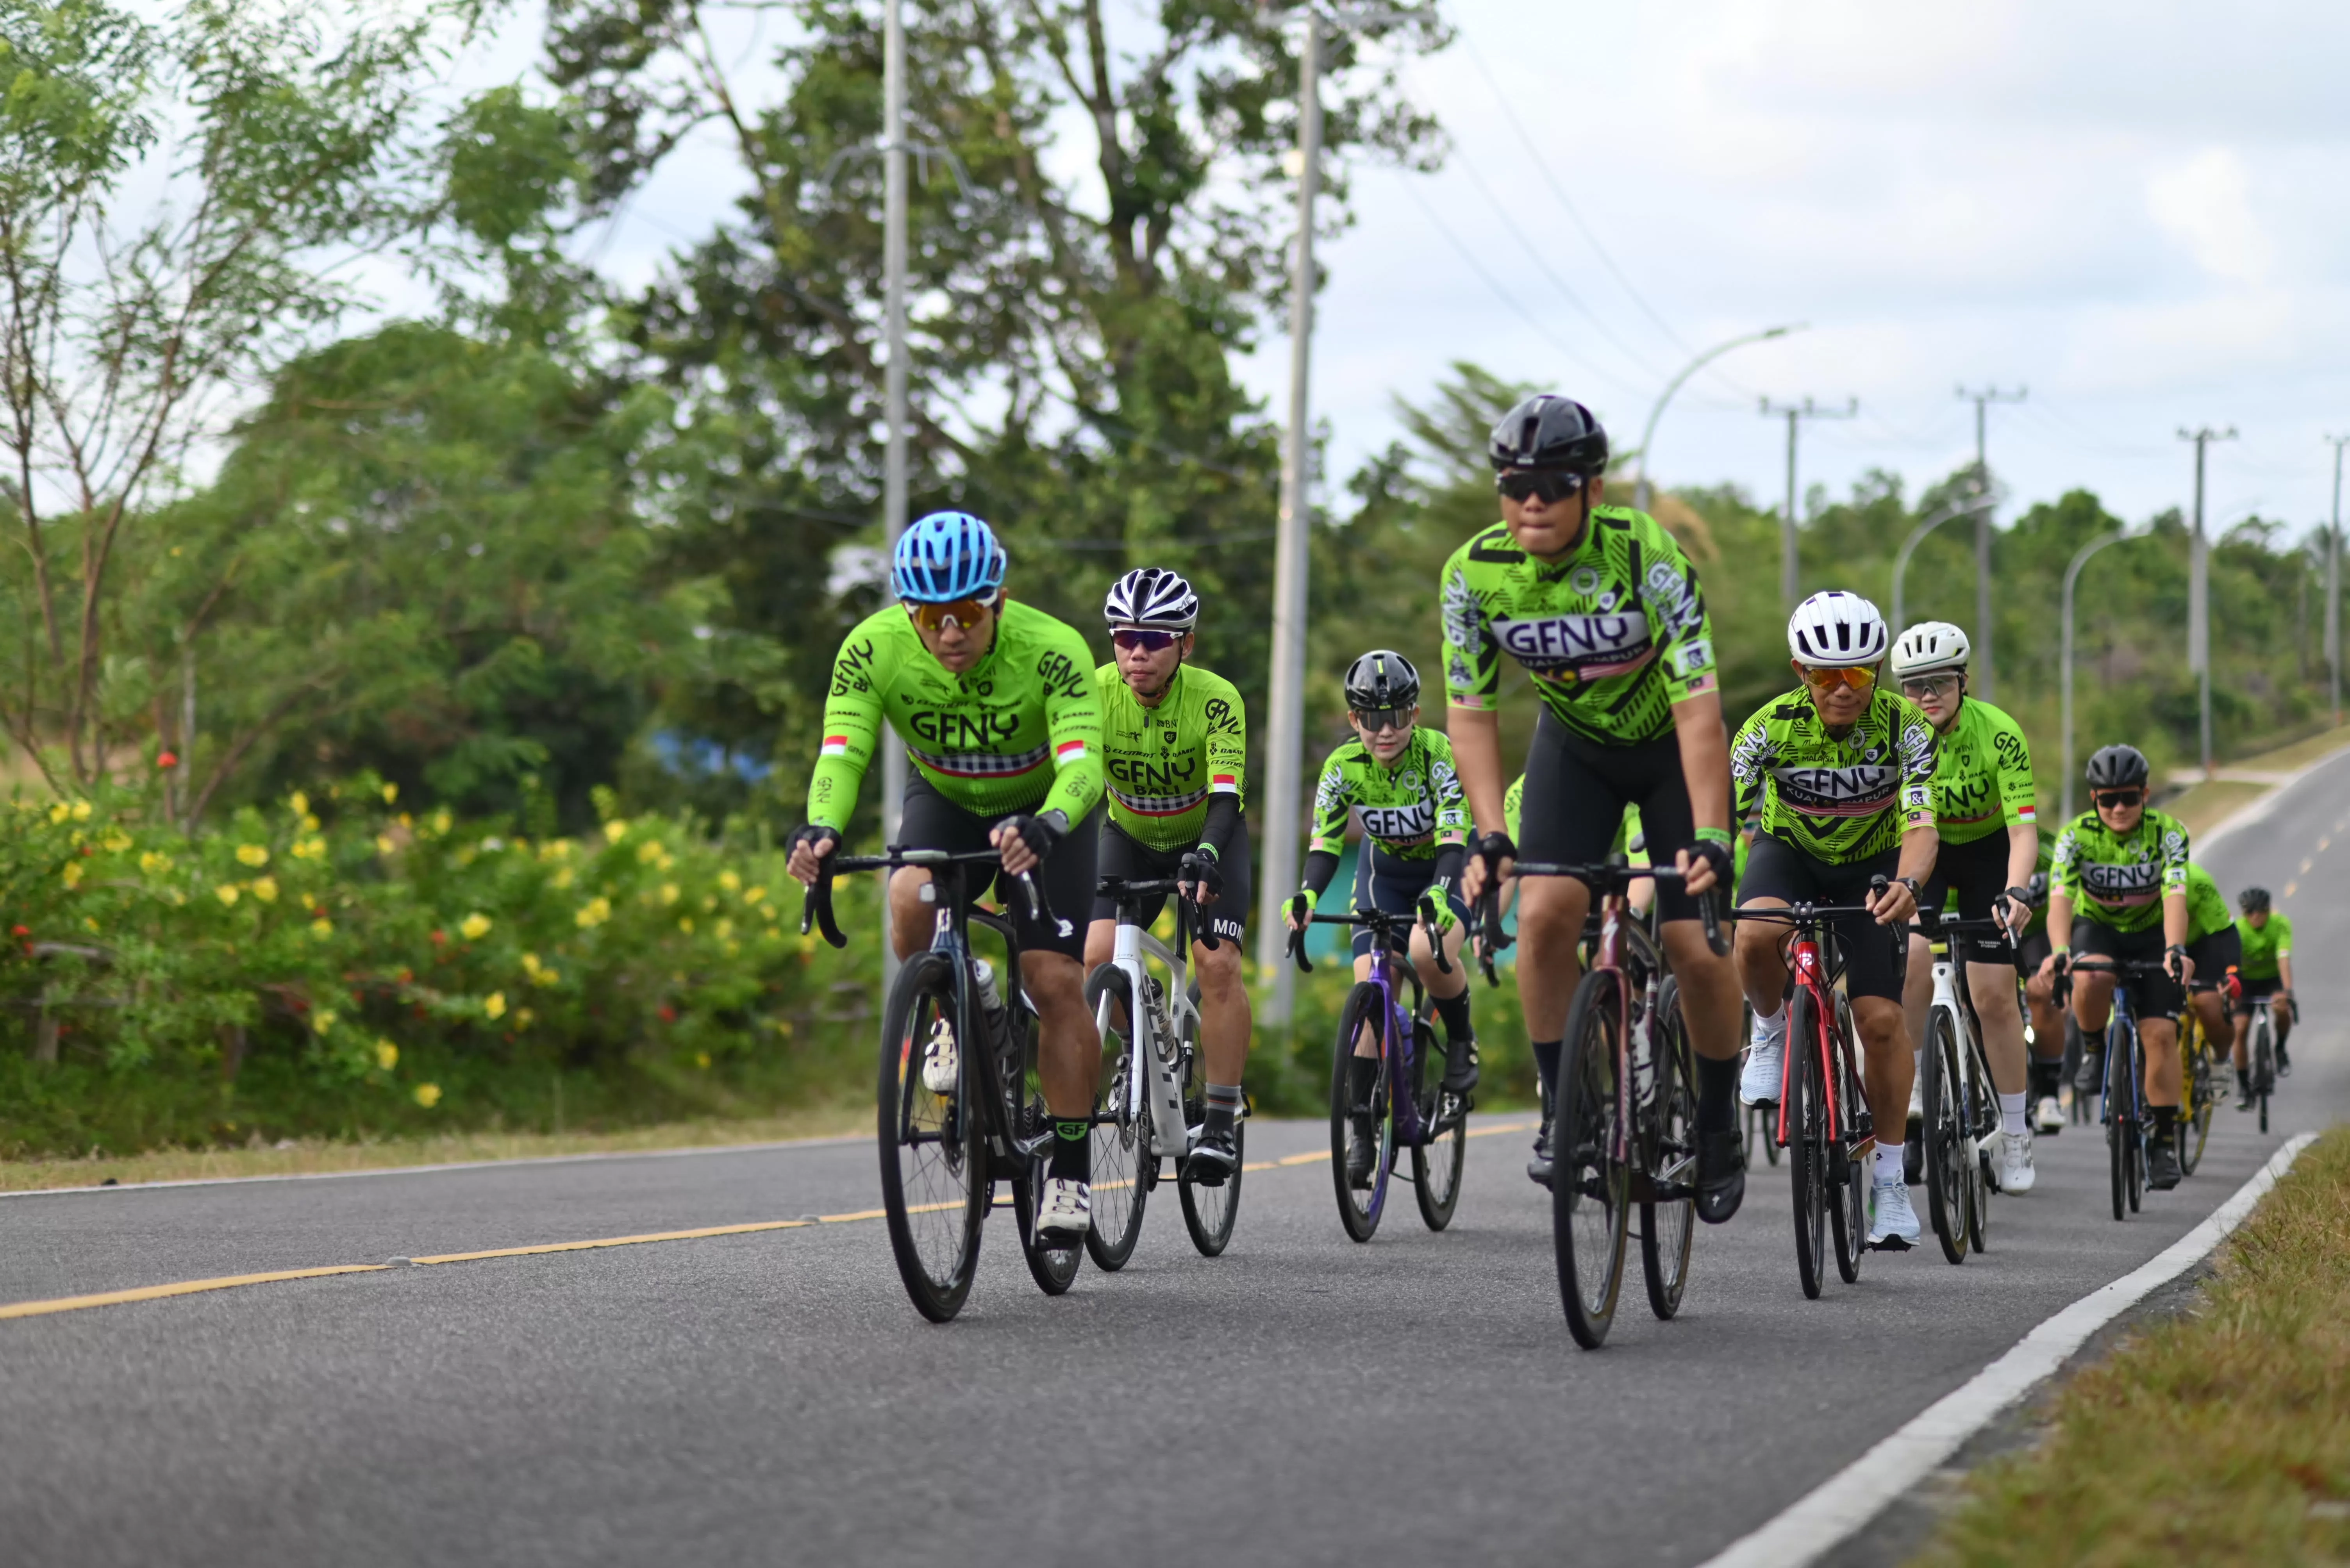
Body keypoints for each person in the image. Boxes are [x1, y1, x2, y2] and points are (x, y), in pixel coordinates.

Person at [1442, 395, 1746, 1222]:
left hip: (1666, 754)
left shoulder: (1644, 554)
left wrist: (1713, 837)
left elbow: (1698, 712)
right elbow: (1470, 714)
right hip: (1572, 751)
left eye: (1553, 482)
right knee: (1542, 912)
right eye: (1514, 484)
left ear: (1593, 490)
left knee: (1689, 937)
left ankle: (1716, 1122)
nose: (1531, 500)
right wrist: (1490, 833)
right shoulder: (1473, 572)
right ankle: (1561, 1109)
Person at [786, 512, 1106, 1236]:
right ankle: (956, 1012)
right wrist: (823, 829)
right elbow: (842, 751)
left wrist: (1050, 826)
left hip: (1044, 808)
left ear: (997, 600)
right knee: (906, 892)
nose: (950, 634)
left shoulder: (1053, 650)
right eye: (932, 616)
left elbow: (1085, 763)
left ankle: (1072, 1169)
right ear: (909, 610)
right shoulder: (872, 650)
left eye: (966, 613)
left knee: (1054, 980)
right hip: (948, 797)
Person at [1734, 591, 1939, 1249]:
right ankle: (1768, 1030)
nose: (1843, 689)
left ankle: (1889, 1182)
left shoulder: (1905, 726)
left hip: (1871, 866)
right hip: (1788, 853)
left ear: (1877, 668)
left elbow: (1921, 824)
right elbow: (1724, 804)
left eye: (1856, 673)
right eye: (1827, 676)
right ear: (1801, 671)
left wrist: (1909, 883)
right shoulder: (1767, 727)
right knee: (1753, 935)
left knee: (1879, 1023)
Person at [1082, 568, 1252, 1183]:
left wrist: (1206, 853)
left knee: (1216, 962)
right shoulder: (1093, 691)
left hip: (1208, 836)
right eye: (1124, 636)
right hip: (1127, 835)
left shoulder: (1216, 697)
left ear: (1187, 643)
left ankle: (1223, 1116)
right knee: (1095, 954)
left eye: (1155, 638)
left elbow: (1228, 795)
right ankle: (1137, 1047)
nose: (1137, 652)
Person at [1285, 650, 1474, 1187]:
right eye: (1371, 718)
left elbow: (1455, 835)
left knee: (1423, 948)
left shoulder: (1438, 753)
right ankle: (1362, 1131)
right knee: (1371, 992)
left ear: (1415, 713)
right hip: (1383, 872)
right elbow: (1324, 842)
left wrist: (1439, 891)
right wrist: (1306, 894)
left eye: (1396, 715)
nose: (1385, 729)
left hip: (1447, 865)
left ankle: (1461, 1042)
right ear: (1354, 721)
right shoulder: (1342, 765)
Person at [1887, 622, 2041, 1195]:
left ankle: (2017, 1133)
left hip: (1986, 855)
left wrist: (2017, 889)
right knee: (1912, 960)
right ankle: (1916, 1086)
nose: (1928, 695)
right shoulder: (1895, 735)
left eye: (1940, 682)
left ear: (1963, 681)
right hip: (1920, 852)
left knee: (1995, 996)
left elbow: (2024, 831)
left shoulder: (1998, 732)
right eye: (1914, 685)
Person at [2035, 744, 2193, 1190]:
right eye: (2108, 799)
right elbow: (2061, 898)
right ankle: (2093, 1048)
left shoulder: (2168, 833)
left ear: (2146, 794)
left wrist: (2175, 947)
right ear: (2094, 799)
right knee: (2090, 973)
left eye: (2128, 797)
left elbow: (2175, 895)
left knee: (2161, 1034)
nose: (2119, 808)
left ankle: (2162, 1140)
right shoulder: (2074, 836)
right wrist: (2061, 948)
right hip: (2097, 928)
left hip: (2150, 931)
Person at [2179, 862, 2239, 1109]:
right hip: (2155, 946)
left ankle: (2222, 1060)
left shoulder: (2197, 880)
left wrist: (2233, 972)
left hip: (2201, 947)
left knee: (2209, 1005)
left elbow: (2226, 931)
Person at [2232, 885, 2295, 1096]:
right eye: (2250, 912)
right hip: (2245, 981)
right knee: (2240, 1029)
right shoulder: (2237, 929)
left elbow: (2283, 959)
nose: (2256, 917)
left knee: (2282, 1008)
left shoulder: (2280, 925)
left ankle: (2280, 1048)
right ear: (2244, 913)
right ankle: (2243, 1085)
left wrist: (2288, 991)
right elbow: (2229, 962)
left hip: (2271, 978)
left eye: (2261, 911)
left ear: (2269, 910)